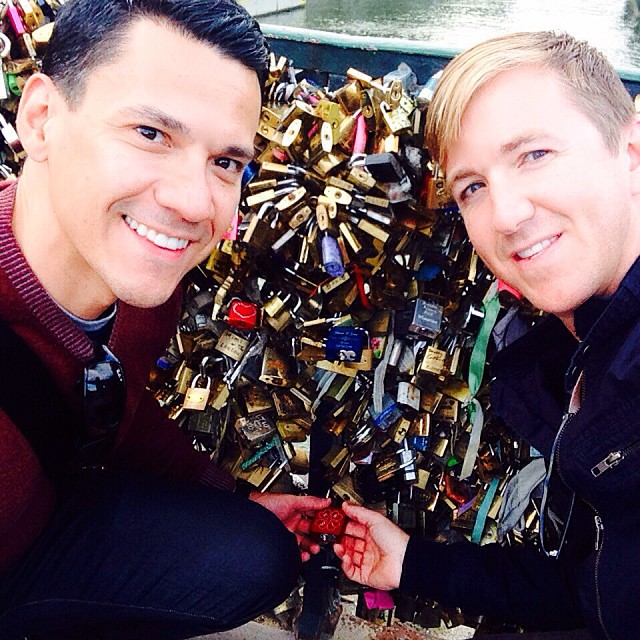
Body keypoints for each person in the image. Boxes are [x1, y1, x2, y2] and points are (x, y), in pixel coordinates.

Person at [0, 0, 331, 638]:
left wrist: (229, 498)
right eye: (151, 134)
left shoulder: (138, 284)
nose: (194, 202)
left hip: (46, 517)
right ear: (40, 119)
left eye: (226, 163)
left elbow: (110, 410)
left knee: (257, 553)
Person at [334, 31, 640, 640]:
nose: (506, 215)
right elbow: (600, 590)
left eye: (535, 155)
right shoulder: (579, 350)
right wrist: (412, 563)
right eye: (472, 187)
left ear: (632, 153)